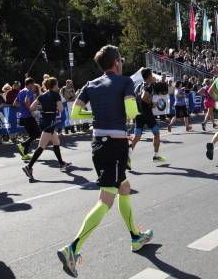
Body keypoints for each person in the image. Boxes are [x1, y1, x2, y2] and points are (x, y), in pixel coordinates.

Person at [57, 46, 153, 277]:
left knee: (124, 187)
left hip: (97, 144)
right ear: (117, 62)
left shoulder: (91, 84)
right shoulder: (124, 82)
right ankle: (73, 248)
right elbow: (131, 113)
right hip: (115, 145)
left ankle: (135, 237)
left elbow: (75, 115)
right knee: (106, 199)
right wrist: (126, 109)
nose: (122, 63)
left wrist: (97, 115)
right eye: (121, 60)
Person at [22, 77, 71, 180]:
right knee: (41, 146)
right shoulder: (56, 94)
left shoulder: (42, 95)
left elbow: (31, 108)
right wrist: (58, 104)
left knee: (56, 142)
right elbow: (61, 109)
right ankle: (29, 167)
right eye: (57, 84)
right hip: (50, 123)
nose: (58, 86)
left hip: (45, 122)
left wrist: (41, 110)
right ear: (54, 85)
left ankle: (61, 163)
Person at [130, 68, 166, 164]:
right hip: (147, 114)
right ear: (149, 76)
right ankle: (156, 155)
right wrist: (151, 104)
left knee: (137, 137)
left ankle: (127, 157)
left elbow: (135, 97)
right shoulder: (149, 86)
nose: (154, 76)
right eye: (152, 75)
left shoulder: (138, 86)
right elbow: (144, 96)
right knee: (156, 134)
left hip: (139, 114)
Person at [14, 78, 41, 160]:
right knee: (37, 134)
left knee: (31, 135)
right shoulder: (29, 91)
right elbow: (26, 101)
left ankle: (25, 155)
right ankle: (22, 144)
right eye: (33, 84)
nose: (34, 86)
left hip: (23, 117)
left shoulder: (21, 91)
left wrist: (23, 108)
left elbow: (15, 103)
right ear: (30, 84)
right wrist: (30, 111)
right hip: (29, 116)